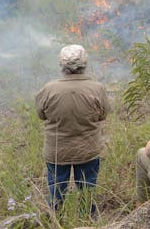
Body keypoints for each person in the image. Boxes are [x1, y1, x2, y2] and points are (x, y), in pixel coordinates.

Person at [36, 45, 110, 215]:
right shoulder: (97, 89)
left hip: (56, 152)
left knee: (56, 192)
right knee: (87, 189)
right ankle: (88, 219)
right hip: (87, 150)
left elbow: (41, 115)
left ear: (61, 65)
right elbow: (102, 115)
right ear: (85, 64)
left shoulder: (48, 89)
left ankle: (54, 219)